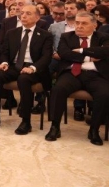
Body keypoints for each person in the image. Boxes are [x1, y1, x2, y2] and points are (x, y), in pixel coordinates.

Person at [0, 5, 54, 135]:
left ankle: (26, 121)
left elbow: (46, 57)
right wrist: (4, 63)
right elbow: (4, 52)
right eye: (22, 13)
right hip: (14, 66)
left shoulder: (45, 35)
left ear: (37, 17)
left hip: (34, 68)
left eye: (28, 13)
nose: (23, 16)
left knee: (24, 79)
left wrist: (32, 68)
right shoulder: (12, 33)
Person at [46, 12, 109, 145]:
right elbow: (64, 53)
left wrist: (81, 51)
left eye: (84, 23)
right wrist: (89, 57)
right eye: (77, 23)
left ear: (94, 25)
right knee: (58, 89)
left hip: (95, 75)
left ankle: (94, 130)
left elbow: (105, 52)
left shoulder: (103, 37)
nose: (79, 26)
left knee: (104, 94)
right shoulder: (66, 36)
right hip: (71, 73)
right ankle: (55, 127)